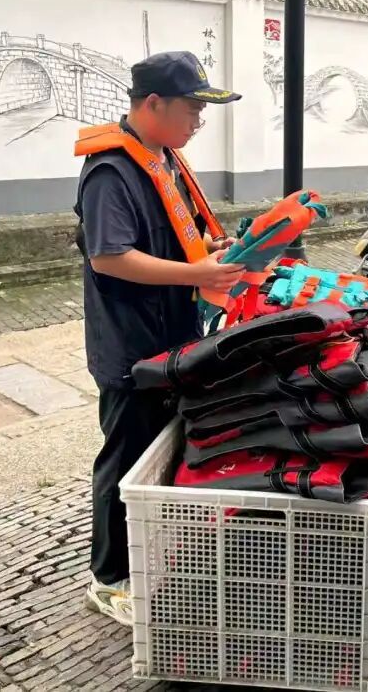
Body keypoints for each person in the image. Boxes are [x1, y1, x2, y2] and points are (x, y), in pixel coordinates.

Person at [73, 51, 246, 626]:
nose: (199, 120)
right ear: (153, 104)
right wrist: (197, 272)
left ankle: (149, 553)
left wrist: (212, 253)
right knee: (125, 457)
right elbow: (110, 257)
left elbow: (177, 237)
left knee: (159, 450)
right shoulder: (110, 171)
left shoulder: (165, 160)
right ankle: (109, 578)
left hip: (171, 336)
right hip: (130, 345)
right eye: (192, 108)